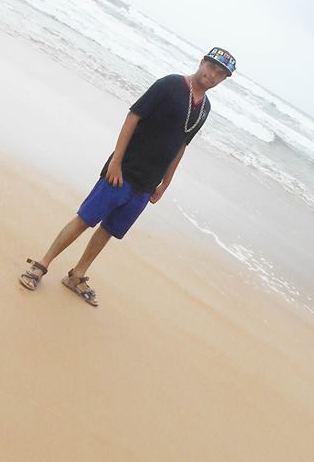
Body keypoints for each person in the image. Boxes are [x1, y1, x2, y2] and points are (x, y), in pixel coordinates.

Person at [19, 47, 236, 305]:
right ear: (202, 62)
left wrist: (165, 184)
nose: (213, 75)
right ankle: (42, 264)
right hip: (123, 171)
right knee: (85, 219)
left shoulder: (205, 108)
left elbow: (181, 146)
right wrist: (116, 162)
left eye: (220, 74)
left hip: (147, 184)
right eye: (212, 67)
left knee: (109, 229)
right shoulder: (169, 85)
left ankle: (77, 275)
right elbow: (134, 116)